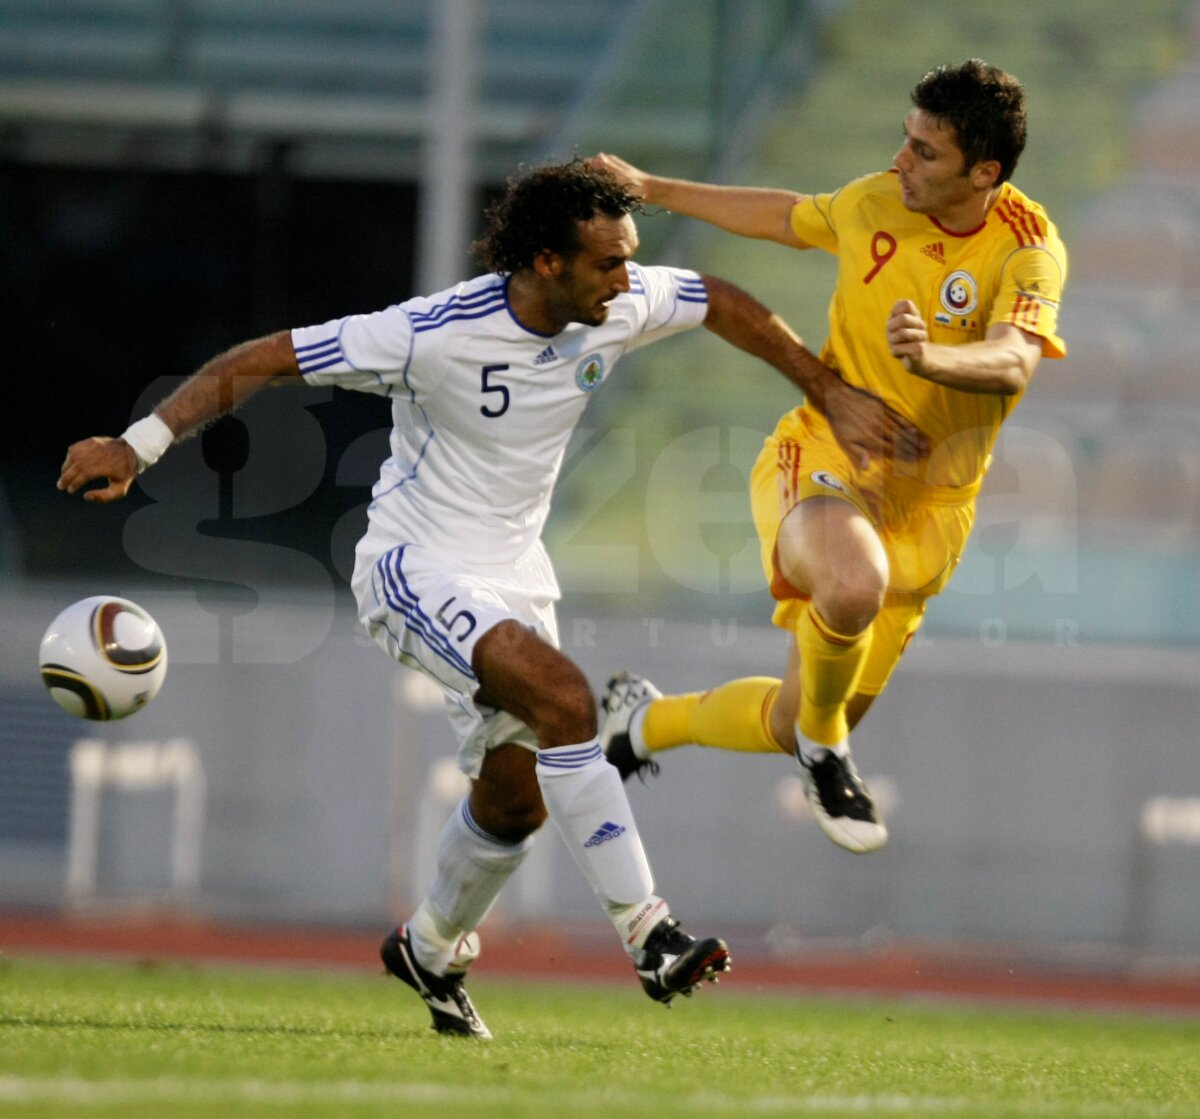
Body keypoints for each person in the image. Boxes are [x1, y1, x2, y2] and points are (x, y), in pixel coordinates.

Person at [57, 159, 919, 1038]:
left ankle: (428, 946)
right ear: (546, 261)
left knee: (516, 797)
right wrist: (140, 444)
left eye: (630, 261)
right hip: (413, 566)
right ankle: (651, 933)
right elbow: (266, 358)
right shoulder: (430, 332)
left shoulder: (615, 306)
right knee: (568, 701)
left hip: (514, 575)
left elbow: (720, 300)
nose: (627, 282)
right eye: (607, 265)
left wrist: (828, 389)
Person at [593, 59, 1067, 856]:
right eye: (905, 138)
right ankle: (827, 753)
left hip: (932, 510)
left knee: (794, 712)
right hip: (826, 453)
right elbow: (786, 217)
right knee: (851, 585)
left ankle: (643, 721)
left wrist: (933, 360)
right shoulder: (876, 199)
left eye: (925, 152)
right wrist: (652, 185)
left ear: (984, 172)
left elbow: (1014, 360)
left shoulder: (1027, 247)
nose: (900, 161)